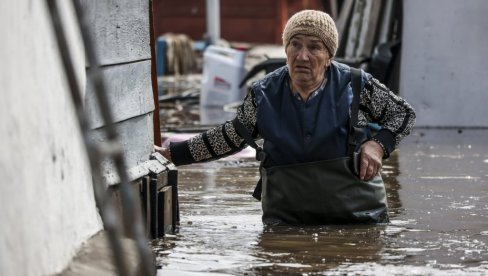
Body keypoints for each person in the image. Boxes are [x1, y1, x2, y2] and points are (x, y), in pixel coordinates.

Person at [155, 10, 416, 226]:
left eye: (314, 47)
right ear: (287, 48)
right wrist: (173, 154)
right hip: (287, 219)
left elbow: (403, 114)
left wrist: (378, 145)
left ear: (329, 57)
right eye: (295, 45)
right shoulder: (263, 93)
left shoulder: (357, 85)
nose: (302, 56)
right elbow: (230, 138)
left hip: (358, 218)